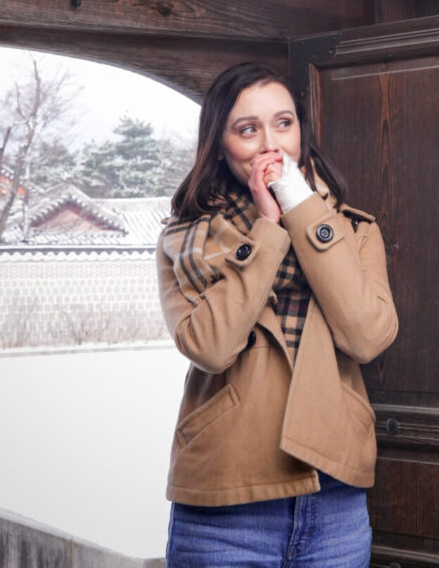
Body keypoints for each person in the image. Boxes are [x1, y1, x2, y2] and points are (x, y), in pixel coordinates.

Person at [157, 61, 398, 567]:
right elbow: (211, 347)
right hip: (224, 504)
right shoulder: (186, 241)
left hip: (333, 496)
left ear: (301, 134)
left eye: (283, 123)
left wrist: (300, 207)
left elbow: (367, 337)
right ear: (221, 146)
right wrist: (267, 230)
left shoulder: (354, 231)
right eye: (248, 129)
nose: (271, 144)